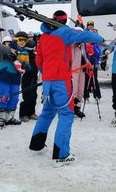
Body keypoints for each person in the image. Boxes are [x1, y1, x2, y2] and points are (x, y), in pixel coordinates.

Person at [29, 10, 104, 164]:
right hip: (61, 81)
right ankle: (61, 154)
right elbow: (86, 36)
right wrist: (101, 38)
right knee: (66, 114)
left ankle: (36, 145)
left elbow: (39, 60)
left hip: (48, 81)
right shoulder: (64, 33)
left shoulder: (44, 36)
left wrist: (46, 73)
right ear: (63, 21)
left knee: (47, 112)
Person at [0, 32, 31, 128]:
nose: (23, 42)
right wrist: (9, 54)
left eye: (25, 40)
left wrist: (23, 64)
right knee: (4, 96)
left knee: (15, 97)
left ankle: (9, 117)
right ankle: (1, 118)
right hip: (5, 75)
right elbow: (0, 55)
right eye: (21, 39)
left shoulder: (25, 52)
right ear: (16, 39)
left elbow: (28, 67)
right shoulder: (7, 47)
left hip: (15, 78)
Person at [19, 36, 39, 122]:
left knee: (34, 96)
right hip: (27, 78)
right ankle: (24, 114)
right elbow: (22, 66)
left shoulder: (34, 55)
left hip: (34, 77)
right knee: (27, 96)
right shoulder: (24, 54)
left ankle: (31, 112)